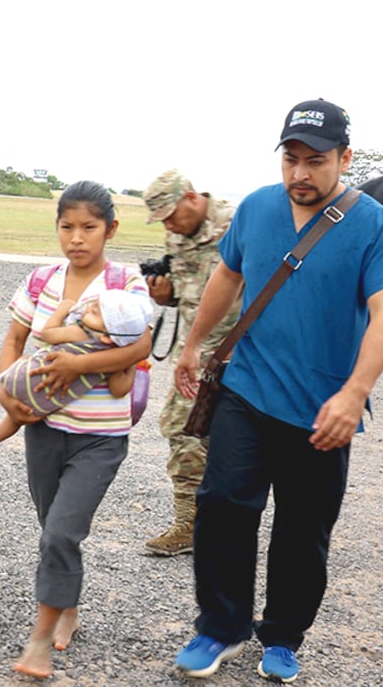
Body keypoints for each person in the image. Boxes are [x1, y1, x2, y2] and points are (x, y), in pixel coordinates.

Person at [172, 99, 383, 682]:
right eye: (291, 158)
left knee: (303, 530)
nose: (300, 173)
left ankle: (282, 635)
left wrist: (355, 393)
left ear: (345, 159)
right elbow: (229, 273)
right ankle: (220, 627)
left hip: (324, 408)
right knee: (224, 505)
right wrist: (194, 342)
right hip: (247, 391)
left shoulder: (376, 227)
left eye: (316, 160)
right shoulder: (257, 208)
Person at [0, 181, 152, 679]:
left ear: (111, 228)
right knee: (52, 529)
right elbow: (16, 338)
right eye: (67, 227)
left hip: (100, 439)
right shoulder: (41, 280)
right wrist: (8, 393)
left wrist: (72, 368)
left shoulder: (127, 283)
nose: (77, 238)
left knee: (61, 532)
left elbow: (138, 346)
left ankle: (39, 641)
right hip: (43, 429)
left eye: (89, 227)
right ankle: (68, 604)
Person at [139, 169, 240, 557]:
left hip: (240, 351)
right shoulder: (177, 233)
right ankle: (189, 524)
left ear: (193, 197)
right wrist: (165, 295)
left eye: (170, 214)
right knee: (183, 428)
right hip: (194, 354)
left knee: (236, 439)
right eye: (161, 218)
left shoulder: (235, 224)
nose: (168, 224)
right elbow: (188, 295)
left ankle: (222, 523)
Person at [0, 289, 153, 451]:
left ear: (106, 336)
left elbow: (47, 333)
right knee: (19, 418)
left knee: (23, 378)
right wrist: (130, 362)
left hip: (22, 376)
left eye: (95, 312)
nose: (88, 309)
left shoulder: (80, 332)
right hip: (46, 401)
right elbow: (119, 389)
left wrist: (61, 310)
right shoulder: (112, 360)